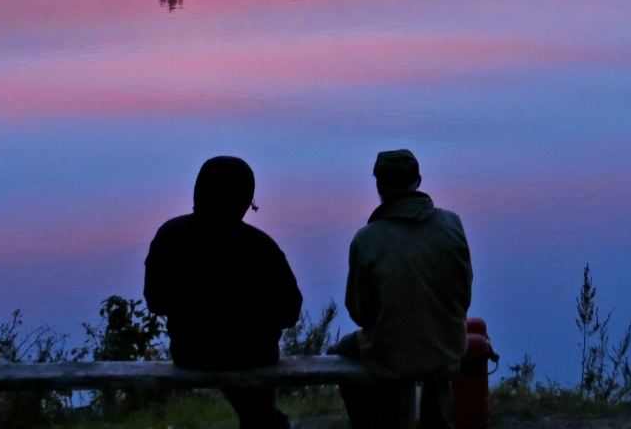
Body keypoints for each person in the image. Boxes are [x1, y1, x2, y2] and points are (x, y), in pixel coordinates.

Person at [144, 156, 302, 429]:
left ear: (199, 191)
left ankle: (267, 420)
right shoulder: (261, 246)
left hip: (191, 353)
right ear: (244, 199)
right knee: (254, 394)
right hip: (254, 353)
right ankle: (267, 421)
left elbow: (156, 300)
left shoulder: (170, 235)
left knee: (244, 385)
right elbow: (290, 311)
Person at [330, 149, 474, 429]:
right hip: (448, 343)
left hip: (392, 353)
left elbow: (360, 314)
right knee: (429, 345)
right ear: (418, 180)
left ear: (379, 187)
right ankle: (437, 421)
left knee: (338, 352)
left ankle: (368, 423)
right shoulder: (452, 223)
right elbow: (463, 294)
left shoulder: (367, 239)